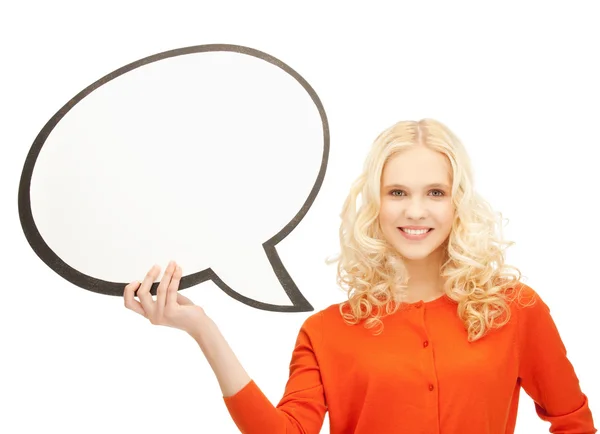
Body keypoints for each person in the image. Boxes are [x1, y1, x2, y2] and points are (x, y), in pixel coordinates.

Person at [124, 119, 596, 433]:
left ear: (458, 202)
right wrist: (203, 330)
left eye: (435, 191)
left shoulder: (514, 310)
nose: (415, 210)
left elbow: (574, 422)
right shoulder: (327, 332)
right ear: (374, 204)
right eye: (397, 192)